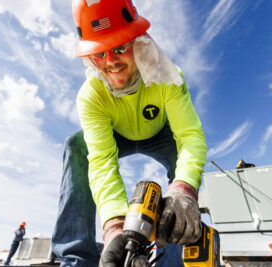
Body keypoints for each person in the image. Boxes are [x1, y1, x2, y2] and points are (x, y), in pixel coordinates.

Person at [51, 0, 207, 266]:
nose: (110, 62)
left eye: (119, 47)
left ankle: (172, 259)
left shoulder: (167, 76)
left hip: (161, 135)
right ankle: (76, 258)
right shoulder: (91, 96)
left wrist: (184, 189)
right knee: (76, 145)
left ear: (137, 40)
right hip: (117, 135)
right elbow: (101, 160)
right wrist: (114, 225)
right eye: (100, 54)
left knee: (182, 167)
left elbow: (190, 135)